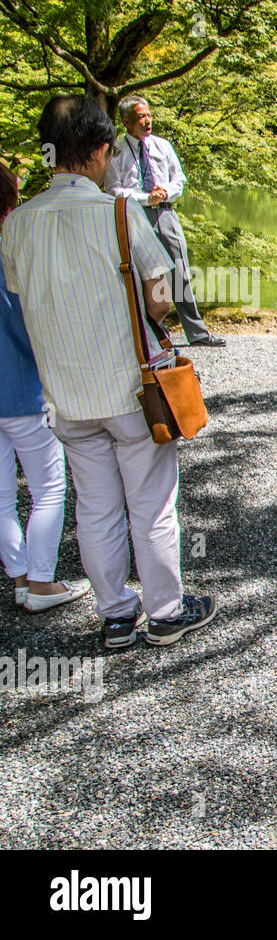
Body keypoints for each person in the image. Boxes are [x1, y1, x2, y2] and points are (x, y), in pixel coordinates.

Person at [1, 95, 217, 648]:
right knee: (150, 503)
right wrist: (148, 307)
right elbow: (162, 296)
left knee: (95, 508)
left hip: (66, 398)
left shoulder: (17, 226)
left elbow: (27, 299)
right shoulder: (120, 214)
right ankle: (166, 611)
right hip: (131, 389)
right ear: (101, 150)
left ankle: (117, 615)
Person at [0, 160, 91, 614]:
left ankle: (18, 577)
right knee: (49, 487)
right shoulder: (17, 245)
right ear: (11, 198)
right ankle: (40, 582)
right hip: (22, 390)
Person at [105, 95, 225, 347]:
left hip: (165, 212)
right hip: (134, 215)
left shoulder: (163, 146)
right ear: (126, 121)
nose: (147, 121)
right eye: (140, 117)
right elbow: (113, 190)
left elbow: (178, 180)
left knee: (179, 270)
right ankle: (152, 333)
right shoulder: (116, 151)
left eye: (148, 115)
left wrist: (164, 193)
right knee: (140, 273)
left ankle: (198, 333)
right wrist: (144, 198)